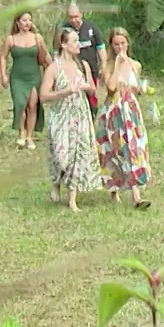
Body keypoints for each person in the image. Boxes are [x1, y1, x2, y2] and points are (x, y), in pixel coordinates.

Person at [41, 27, 105, 209]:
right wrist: (64, 91)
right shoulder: (54, 68)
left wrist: (85, 86)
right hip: (61, 115)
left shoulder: (82, 65)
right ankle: (56, 183)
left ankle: (72, 200)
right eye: (75, 41)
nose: (79, 44)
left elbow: (93, 89)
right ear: (63, 44)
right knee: (62, 156)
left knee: (77, 155)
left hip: (80, 114)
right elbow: (44, 95)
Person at [96, 28, 151, 209]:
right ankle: (114, 189)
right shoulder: (108, 65)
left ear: (128, 43)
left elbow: (136, 89)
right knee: (114, 150)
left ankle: (136, 196)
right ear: (111, 46)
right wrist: (118, 64)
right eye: (116, 44)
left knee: (133, 149)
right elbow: (111, 88)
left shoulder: (136, 65)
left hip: (131, 111)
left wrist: (140, 90)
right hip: (113, 111)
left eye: (123, 43)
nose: (120, 47)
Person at [2, 12, 48, 150]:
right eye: (24, 20)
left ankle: (29, 136)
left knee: (32, 105)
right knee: (20, 104)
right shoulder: (11, 39)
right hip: (17, 77)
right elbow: (3, 57)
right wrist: (3, 75)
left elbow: (45, 56)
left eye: (29, 20)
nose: (27, 23)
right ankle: (21, 132)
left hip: (34, 76)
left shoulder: (37, 38)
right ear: (17, 22)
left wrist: (54, 72)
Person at [56, 2, 104, 113]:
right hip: (71, 71)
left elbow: (100, 48)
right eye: (70, 17)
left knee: (92, 101)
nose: (73, 20)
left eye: (76, 17)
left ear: (81, 14)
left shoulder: (91, 27)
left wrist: (103, 66)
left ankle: (91, 118)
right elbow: (56, 51)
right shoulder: (63, 31)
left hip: (91, 70)